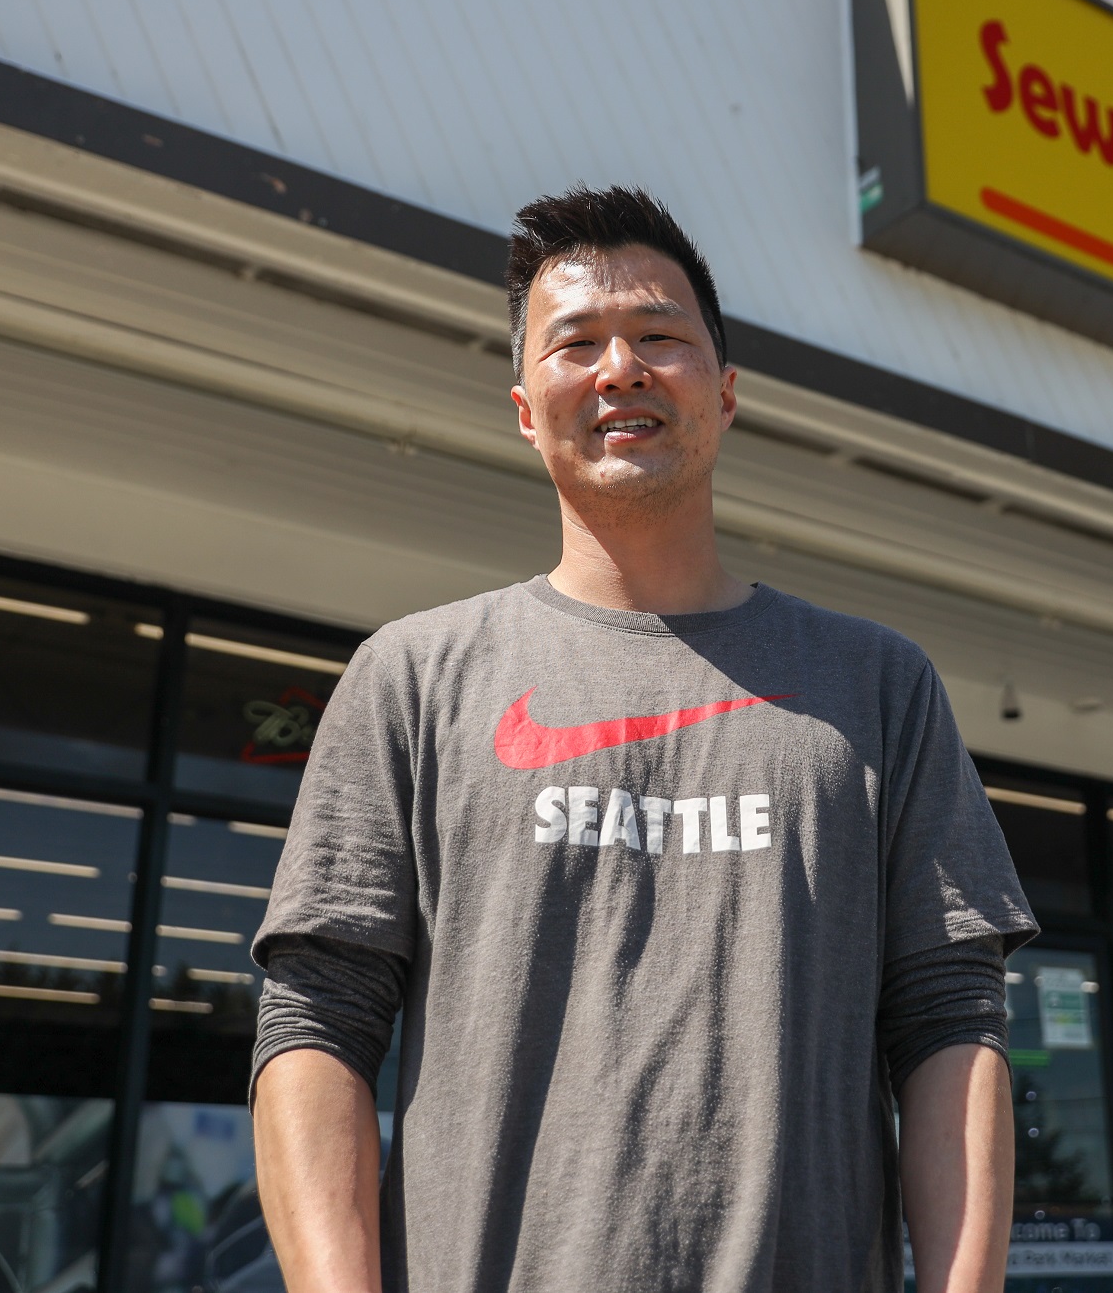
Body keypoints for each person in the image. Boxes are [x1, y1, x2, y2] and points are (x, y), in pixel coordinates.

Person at [248, 187, 1035, 1292]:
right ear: (527, 408)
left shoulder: (877, 685)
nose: (620, 367)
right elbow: (316, 1018)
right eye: (576, 344)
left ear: (725, 391)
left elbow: (950, 1021)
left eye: (659, 336)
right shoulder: (412, 678)